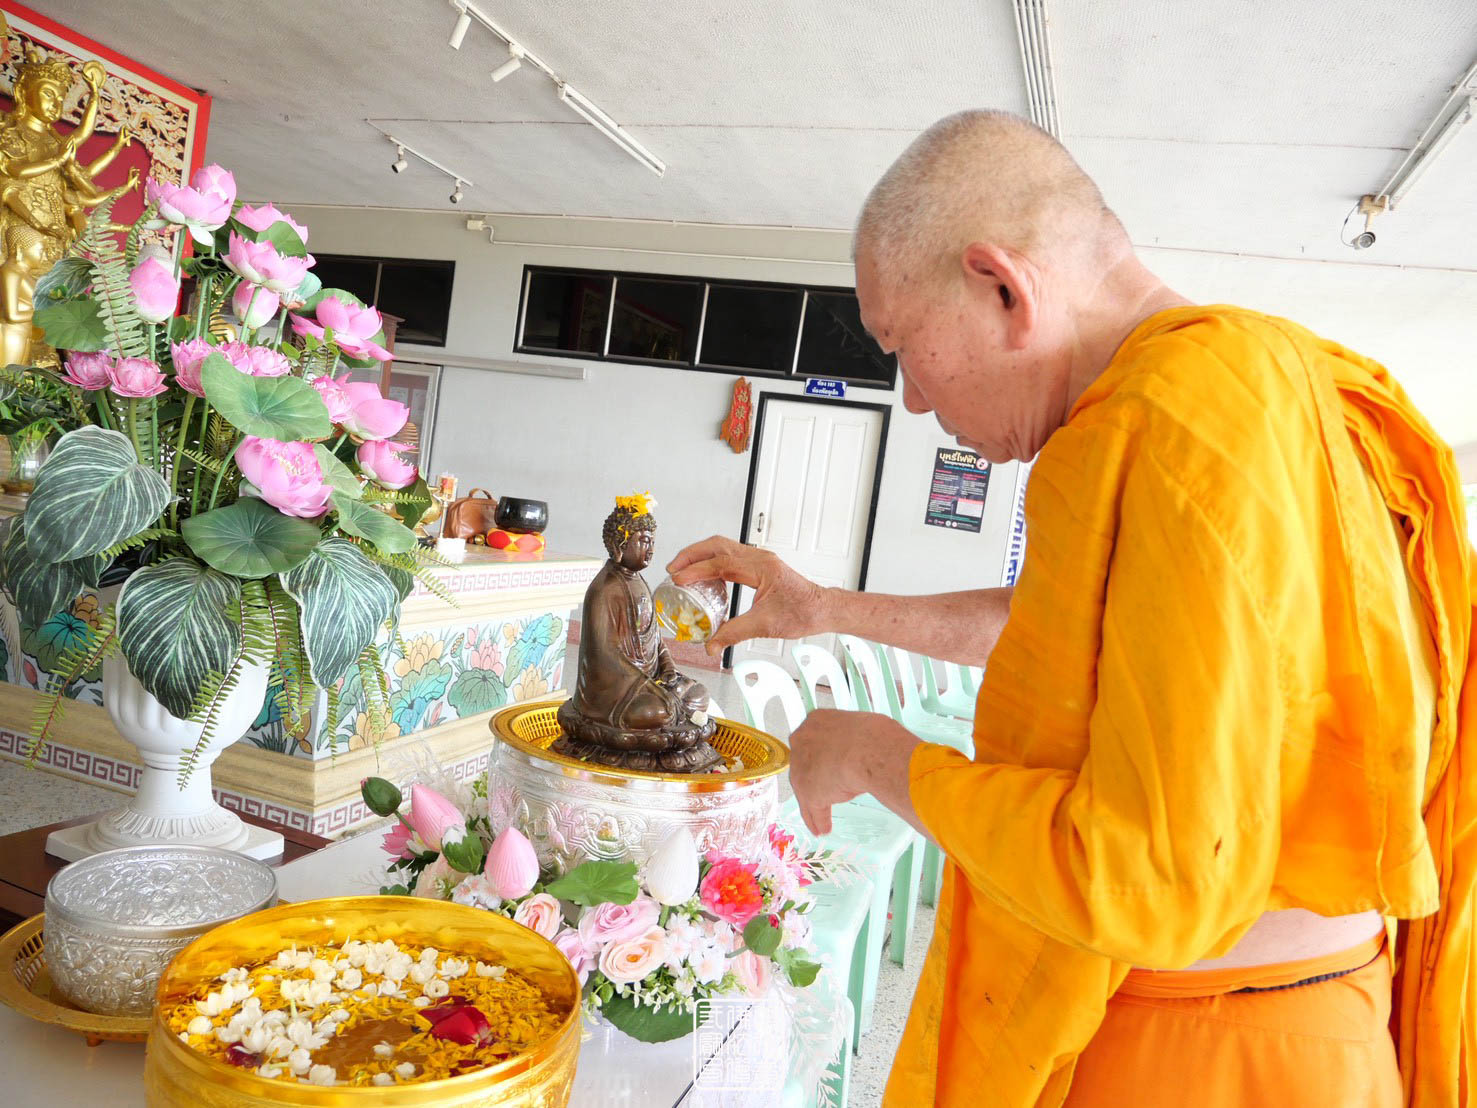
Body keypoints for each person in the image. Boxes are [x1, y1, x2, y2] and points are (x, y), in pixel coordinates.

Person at [668, 110, 1475, 1107]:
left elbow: (1141, 880)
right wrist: (827, 606)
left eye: (901, 345)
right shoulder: (1263, 385)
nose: (911, 399)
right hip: (1299, 1022)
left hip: (1211, 1049)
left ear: (1002, 288)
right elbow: (1071, 633)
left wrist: (878, 756)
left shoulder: (1171, 417)